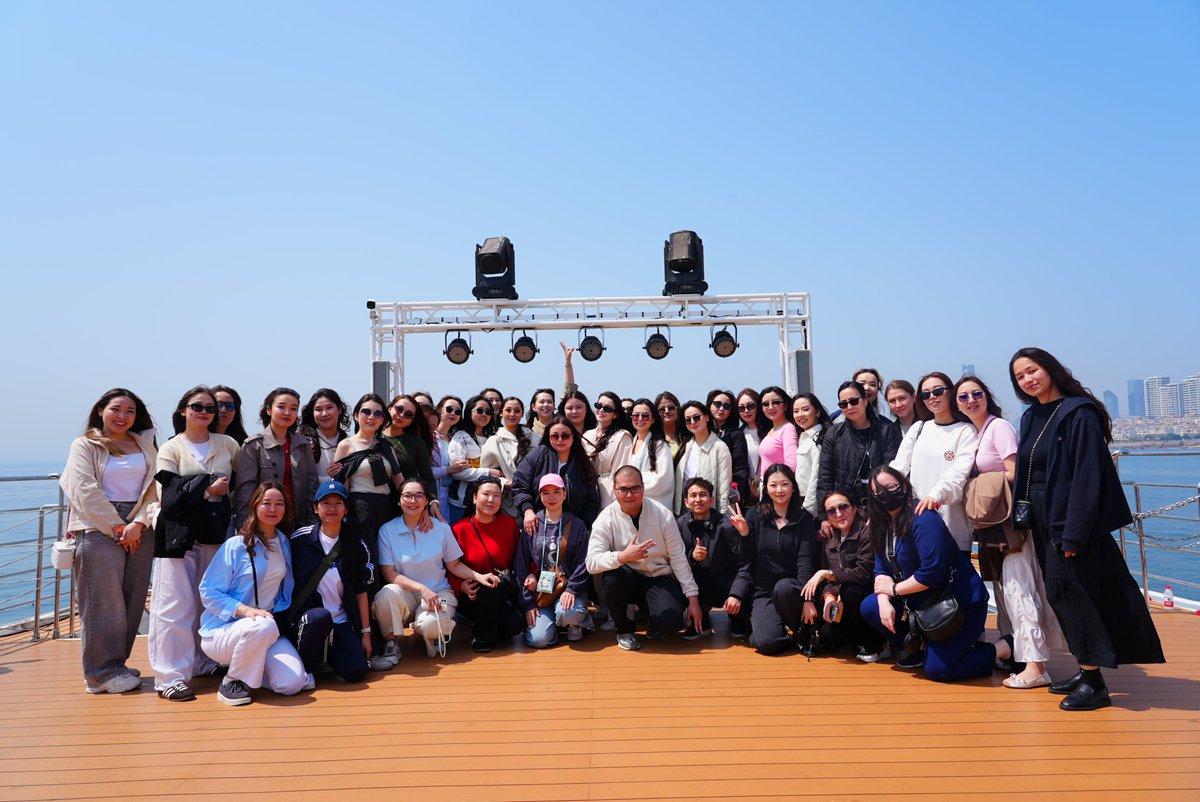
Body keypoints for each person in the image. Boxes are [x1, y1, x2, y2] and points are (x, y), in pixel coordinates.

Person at [1010, 347, 1164, 710]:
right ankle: (1085, 668)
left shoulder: (1079, 413)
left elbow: (1088, 476)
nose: (1028, 379)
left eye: (1032, 370)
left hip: (1069, 520)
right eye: (1020, 376)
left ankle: (1095, 683)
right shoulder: (1033, 415)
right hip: (1044, 518)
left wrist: (1074, 533)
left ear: (1049, 369)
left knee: (1073, 594)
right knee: (1062, 594)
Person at [956, 374, 1064, 688]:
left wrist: (978, 486)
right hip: (992, 524)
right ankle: (1018, 655)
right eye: (963, 397)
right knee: (1005, 592)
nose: (970, 400)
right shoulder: (974, 432)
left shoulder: (998, 427)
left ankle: (1036, 666)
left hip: (1008, 523)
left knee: (1020, 590)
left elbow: (1016, 471)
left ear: (986, 396)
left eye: (976, 394)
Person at [860, 466, 999, 681]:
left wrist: (894, 590)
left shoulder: (923, 518)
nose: (885, 496)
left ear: (904, 486)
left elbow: (931, 574)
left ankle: (1001, 649)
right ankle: (920, 650)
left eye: (891, 487)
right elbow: (880, 568)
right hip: (921, 603)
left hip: (957, 604)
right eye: (878, 493)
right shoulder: (881, 524)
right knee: (871, 607)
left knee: (939, 670)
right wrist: (884, 600)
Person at [61, 388, 158, 695]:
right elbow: (83, 490)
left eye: (130, 411)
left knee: (132, 599)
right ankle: (98, 673)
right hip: (98, 524)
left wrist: (139, 522)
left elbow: (156, 486)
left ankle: (115, 664)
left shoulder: (145, 443)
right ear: (101, 410)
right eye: (116, 409)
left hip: (141, 524)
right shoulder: (85, 444)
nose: (122, 416)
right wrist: (118, 527)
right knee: (103, 602)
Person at [150, 385, 241, 702]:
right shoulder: (171, 448)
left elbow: (240, 485)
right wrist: (207, 489)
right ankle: (169, 676)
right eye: (197, 406)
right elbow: (168, 495)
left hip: (215, 535)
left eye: (210, 408)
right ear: (183, 411)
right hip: (177, 536)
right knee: (174, 606)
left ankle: (204, 662)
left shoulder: (227, 444)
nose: (204, 412)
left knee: (209, 602)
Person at [199, 482, 310, 706]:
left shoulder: (284, 543)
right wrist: (247, 610)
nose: (273, 509)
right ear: (255, 506)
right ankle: (232, 682)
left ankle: (253, 673)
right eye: (266, 503)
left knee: (292, 684)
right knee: (263, 625)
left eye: (279, 504)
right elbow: (208, 591)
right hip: (224, 632)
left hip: (265, 630)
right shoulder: (235, 545)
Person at [372, 480, 501, 660]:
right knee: (385, 595)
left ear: (426, 501)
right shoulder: (387, 530)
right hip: (405, 593)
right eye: (407, 496)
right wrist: (422, 589)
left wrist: (478, 576)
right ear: (399, 500)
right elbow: (389, 574)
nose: (413, 500)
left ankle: (427, 629)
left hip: (439, 591)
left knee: (431, 626)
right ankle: (391, 643)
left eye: (419, 496)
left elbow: (453, 565)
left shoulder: (441, 528)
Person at [586, 466, 704, 651]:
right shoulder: (605, 518)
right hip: (628, 577)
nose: (629, 495)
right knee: (611, 579)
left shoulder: (662, 514)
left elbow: (678, 558)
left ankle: (653, 618)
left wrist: (693, 600)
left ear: (643, 488)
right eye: (623, 489)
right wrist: (622, 556)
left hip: (659, 577)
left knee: (671, 623)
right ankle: (624, 630)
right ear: (614, 490)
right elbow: (592, 563)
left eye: (635, 488)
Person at [726, 465, 819, 655]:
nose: (779, 490)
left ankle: (802, 634)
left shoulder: (805, 519)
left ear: (793, 487)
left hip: (793, 590)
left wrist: (808, 600)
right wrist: (744, 534)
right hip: (764, 591)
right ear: (765, 489)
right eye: (773, 485)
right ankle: (774, 631)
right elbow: (746, 560)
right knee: (767, 643)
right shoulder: (754, 516)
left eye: (785, 484)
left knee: (784, 588)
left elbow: (805, 561)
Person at [287, 480, 372, 685]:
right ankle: (307, 668)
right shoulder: (300, 540)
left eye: (338, 503)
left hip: (341, 620)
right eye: (325, 503)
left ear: (346, 509)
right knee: (319, 618)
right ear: (316, 508)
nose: (332, 508)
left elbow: (361, 591)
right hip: (309, 619)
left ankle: (329, 658)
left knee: (356, 671)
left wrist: (365, 634)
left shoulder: (356, 545)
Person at [890, 372, 977, 552]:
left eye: (938, 391)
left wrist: (935, 495)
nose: (932, 397)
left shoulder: (966, 430)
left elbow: (959, 473)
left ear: (950, 392)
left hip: (951, 523)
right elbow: (898, 468)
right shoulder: (919, 428)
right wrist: (881, 497)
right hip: (917, 521)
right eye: (926, 394)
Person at [332, 393, 404, 595]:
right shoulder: (346, 445)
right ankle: (366, 617)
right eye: (366, 411)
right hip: (359, 509)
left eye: (378, 413)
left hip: (387, 508)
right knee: (367, 560)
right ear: (356, 415)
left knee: (388, 559)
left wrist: (416, 502)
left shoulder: (386, 446)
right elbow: (341, 486)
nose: (372, 417)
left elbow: (399, 480)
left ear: (383, 419)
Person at [802, 491, 886, 660]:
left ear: (854, 508)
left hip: (870, 596)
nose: (838, 513)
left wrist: (827, 574)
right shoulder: (831, 537)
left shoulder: (866, 532)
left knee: (850, 590)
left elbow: (863, 574)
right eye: (832, 511)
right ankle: (862, 636)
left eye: (843, 507)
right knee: (827, 636)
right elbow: (827, 577)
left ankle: (878, 645)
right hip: (845, 603)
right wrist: (828, 597)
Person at [515, 474, 592, 647]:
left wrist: (572, 589)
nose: (551, 497)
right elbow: (521, 563)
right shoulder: (532, 524)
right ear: (540, 496)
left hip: (569, 588)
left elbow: (583, 561)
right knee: (538, 640)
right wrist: (527, 603)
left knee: (568, 612)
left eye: (556, 492)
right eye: (546, 492)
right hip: (542, 592)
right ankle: (553, 626)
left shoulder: (577, 525)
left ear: (565, 494)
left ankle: (574, 622)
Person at [450, 477, 525, 652]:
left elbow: (520, 560)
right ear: (474, 497)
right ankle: (482, 638)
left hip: (501, 590)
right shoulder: (459, 529)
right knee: (488, 590)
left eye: (496, 496)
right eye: (486, 494)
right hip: (472, 593)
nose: (491, 500)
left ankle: (485, 628)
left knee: (516, 624)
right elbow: (448, 566)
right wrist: (460, 586)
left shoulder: (509, 525)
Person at [234, 387, 320, 528]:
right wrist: (246, 526)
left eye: (293, 408)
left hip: (299, 523)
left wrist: (313, 524)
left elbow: (312, 487)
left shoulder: (303, 445)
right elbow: (245, 492)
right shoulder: (254, 446)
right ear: (269, 410)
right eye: (281, 407)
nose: (287, 413)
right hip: (264, 525)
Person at [676, 477, 750, 639]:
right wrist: (692, 557)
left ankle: (738, 619)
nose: (698, 499)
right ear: (686, 502)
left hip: (727, 584)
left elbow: (744, 563)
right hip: (699, 586)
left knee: (742, 615)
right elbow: (675, 561)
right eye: (693, 496)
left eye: (702, 495)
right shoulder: (680, 525)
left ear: (712, 499)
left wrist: (736, 594)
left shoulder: (728, 525)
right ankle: (700, 620)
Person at [817, 380, 902, 510]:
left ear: (865, 400)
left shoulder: (887, 430)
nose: (849, 407)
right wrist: (824, 515)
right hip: (844, 509)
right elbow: (825, 476)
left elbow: (892, 471)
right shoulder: (834, 433)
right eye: (844, 404)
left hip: (880, 507)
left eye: (854, 401)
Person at [512, 416, 602, 533]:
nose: (560, 440)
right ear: (548, 437)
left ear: (573, 437)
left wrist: (581, 525)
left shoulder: (583, 463)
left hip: (571, 530)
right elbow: (519, 485)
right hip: (536, 525)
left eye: (565, 436)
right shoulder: (537, 455)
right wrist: (528, 511)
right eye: (555, 436)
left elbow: (592, 500)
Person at [481, 395, 541, 518]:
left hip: (535, 497)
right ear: (501, 413)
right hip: (506, 502)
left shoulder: (535, 438)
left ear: (522, 414)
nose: (512, 414)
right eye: (508, 410)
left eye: (517, 411)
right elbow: (486, 474)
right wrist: (506, 483)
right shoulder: (494, 441)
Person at [447, 395, 502, 525]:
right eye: (479, 411)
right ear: (469, 412)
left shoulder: (494, 438)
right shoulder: (461, 437)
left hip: (488, 504)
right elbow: (457, 472)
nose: (484, 415)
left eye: (488, 412)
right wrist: (488, 472)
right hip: (461, 503)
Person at [380, 394, 440, 513]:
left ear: (411, 421)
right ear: (390, 408)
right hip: (378, 501)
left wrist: (433, 501)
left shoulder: (416, 442)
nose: (401, 415)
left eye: (408, 414)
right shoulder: (373, 437)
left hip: (408, 505)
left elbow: (427, 478)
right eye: (399, 409)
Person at [673, 401, 733, 515]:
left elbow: (724, 489)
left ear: (706, 417)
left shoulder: (720, 448)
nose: (692, 422)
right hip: (685, 513)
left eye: (696, 417)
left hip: (710, 514)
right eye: (688, 420)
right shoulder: (684, 446)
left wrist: (724, 518)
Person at [584, 391, 634, 508]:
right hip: (585, 492)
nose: (601, 410)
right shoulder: (586, 435)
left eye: (607, 409)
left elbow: (621, 471)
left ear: (615, 414)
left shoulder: (622, 437)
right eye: (598, 406)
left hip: (608, 494)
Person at [626, 398, 674, 511]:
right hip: (632, 505)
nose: (640, 419)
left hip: (655, 507)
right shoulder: (628, 443)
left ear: (653, 419)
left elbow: (663, 480)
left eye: (645, 416)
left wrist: (631, 484)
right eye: (636, 415)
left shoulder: (660, 445)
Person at [708, 389, 753, 508]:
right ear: (709, 406)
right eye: (717, 404)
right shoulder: (699, 432)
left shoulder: (736, 434)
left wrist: (736, 492)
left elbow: (740, 466)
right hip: (703, 492)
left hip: (726, 493)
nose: (721, 408)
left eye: (726, 406)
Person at [792, 393, 831, 518]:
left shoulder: (819, 439)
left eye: (805, 409)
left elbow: (816, 477)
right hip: (799, 501)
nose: (800, 415)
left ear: (817, 412)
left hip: (811, 505)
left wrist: (808, 510)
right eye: (796, 411)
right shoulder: (803, 437)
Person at [300, 388, 349, 480]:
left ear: (339, 410)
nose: (324, 414)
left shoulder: (349, 442)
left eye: (329, 408)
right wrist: (329, 478)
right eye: (318, 409)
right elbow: (300, 478)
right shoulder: (304, 441)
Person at [432, 395, 468, 514]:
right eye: (449, 409)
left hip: (450, 498)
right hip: (432, 496)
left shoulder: (456, 439)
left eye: (457, 411)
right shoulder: (428, 437)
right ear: (439, 410)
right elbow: (423, 472)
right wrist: (449, 470)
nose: (453, 413)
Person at [757, 386, 798, 477]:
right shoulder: (770, 430)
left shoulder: (788, 429)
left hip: (778, 487)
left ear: (786, 405)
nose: (770, 407)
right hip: (767, 486)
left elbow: (791, 465)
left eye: (776, 402)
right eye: (766, 404)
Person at [735, 388, 766, 498]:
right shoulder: (737, 435)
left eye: (750, 406)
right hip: (748, 491)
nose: (746, 411)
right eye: (741, 408)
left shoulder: (771, 431)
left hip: (771, 487)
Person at [655, 391, 685, 458]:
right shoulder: (652, 438)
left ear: (678, 409)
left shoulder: (687, 436)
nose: (667, 411)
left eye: (671, 408)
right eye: (662, 409)